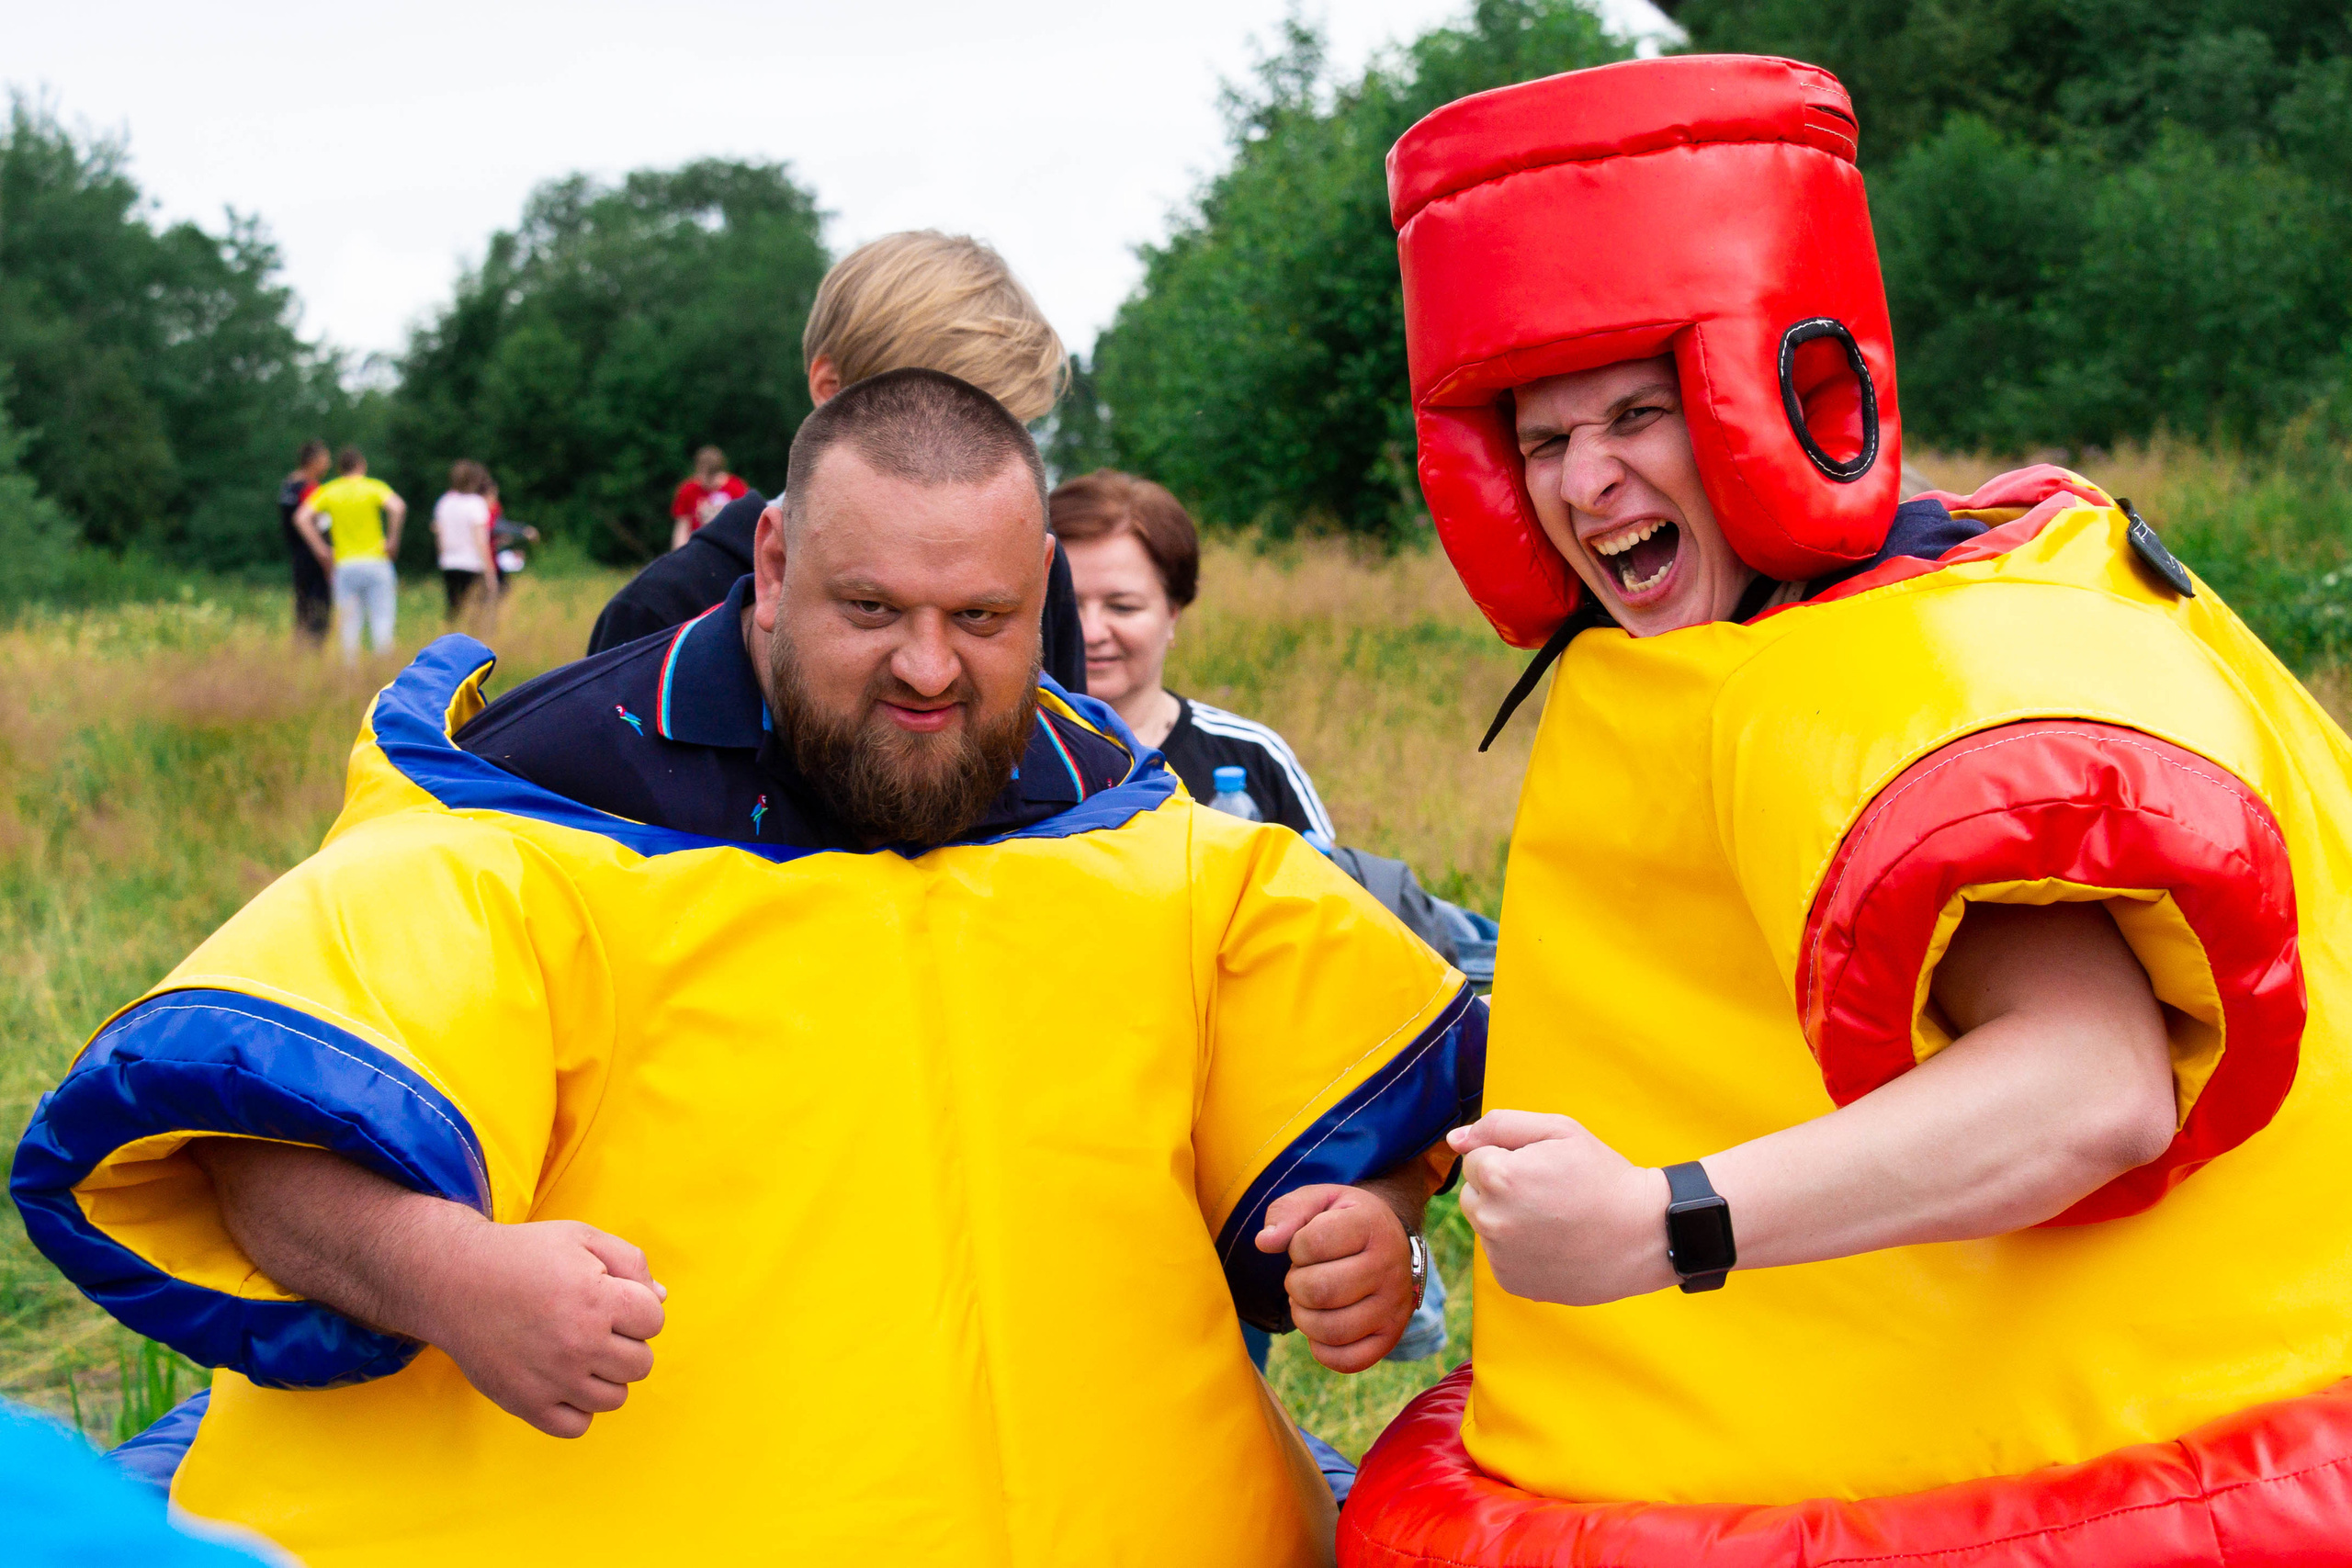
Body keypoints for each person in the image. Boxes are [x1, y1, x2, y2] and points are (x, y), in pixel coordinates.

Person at [14, 369, 1484, 1566]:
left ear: (1038, 586)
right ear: (772, 562)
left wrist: (1375, 1217)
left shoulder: (1131, 817)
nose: (927, 668)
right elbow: (248, 1143)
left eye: (979, 620)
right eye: (870, 611)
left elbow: (1356, 1104)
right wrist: (454, 1274)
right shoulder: (541, 798)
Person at [1336, 55, 2352, 1566]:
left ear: (1771, 391)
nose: (1588, 481)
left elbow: (2095, 1081)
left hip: (2038, 1497)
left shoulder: (1867, 675)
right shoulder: (1901, 597)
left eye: (1637, 413)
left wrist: (1661, 1222)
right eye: (1544, 441)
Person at [587, 231, 1086, 694]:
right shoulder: (663, 610)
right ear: (831, 390)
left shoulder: (1030, 575)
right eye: (928, 428)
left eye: (1002, 436)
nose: (965, 460)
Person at [1051, 468, 1332, 839]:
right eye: (1066, 605)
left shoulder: (1253, 758)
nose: (1090, 632)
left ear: (1173, 612)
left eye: (1122, 607)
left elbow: (1330, 889)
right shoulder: (994, 764)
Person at [293, 448, 405, 663]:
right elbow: (397, 507)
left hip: (345, 565)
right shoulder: (373, 487)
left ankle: (351, 675)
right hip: (376, 561)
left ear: (339, 468)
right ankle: (383, 673)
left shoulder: (330, 490)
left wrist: (321, 549)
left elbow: (301, 518)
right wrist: (392, 541)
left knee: (349, 626)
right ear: (361, 465)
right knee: (382, 620)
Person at [277, 440, 332, 649]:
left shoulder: (288, 484)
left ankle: (300, 650)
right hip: (313, 555)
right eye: (325, 458)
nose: (328, 463)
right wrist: (323, 550)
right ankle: (313, 652)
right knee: (319, 606)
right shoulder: (309, 488)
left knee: (302, 605)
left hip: (297, 554)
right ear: (314, 461)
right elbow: (310, 521)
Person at [432, 460, 499, 625]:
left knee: (454, 609)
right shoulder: (476, 504)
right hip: (472, 564)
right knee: (476, 610)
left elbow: (440, 535)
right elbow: (480, 540)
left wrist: (442, 558)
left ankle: (451, 641)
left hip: (449, 563)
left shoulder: (444, 502)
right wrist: (490, 572)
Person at [667, 446, 747, 553]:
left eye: (711, 477)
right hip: (697, 548)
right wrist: (678, 553)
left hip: (729, 548)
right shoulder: (688, 490)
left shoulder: (736, 488)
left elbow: (744, 523)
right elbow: (682, 526)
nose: (705, 481)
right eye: (702, 475)